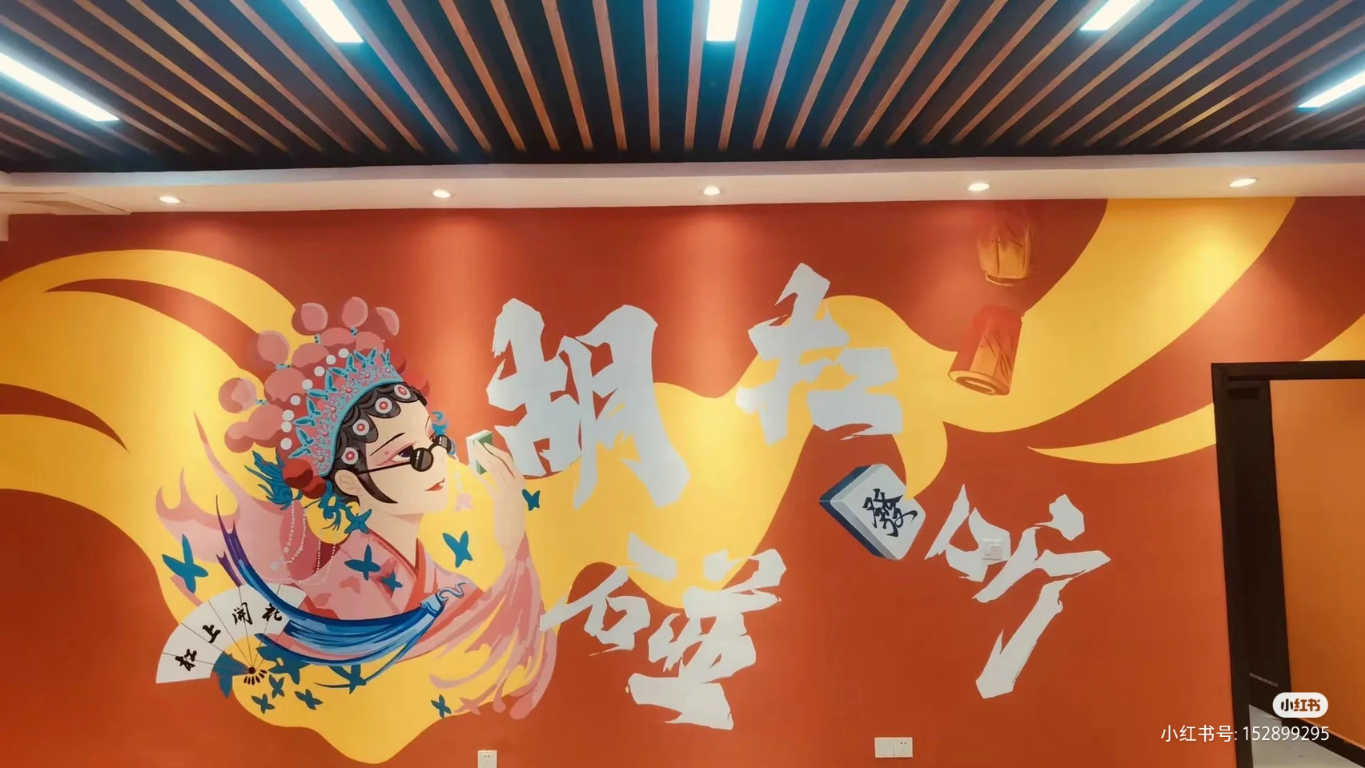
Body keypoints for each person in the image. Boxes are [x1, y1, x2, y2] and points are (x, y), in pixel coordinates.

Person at [159, 297, 554, 718]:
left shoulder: (448, 583)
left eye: (434, 440)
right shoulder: (338, 594)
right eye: (410, 454)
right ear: (349, 481)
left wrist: (514, 544)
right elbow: (469, 663)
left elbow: (508, 668)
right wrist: (514, 555)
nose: (437, 459)